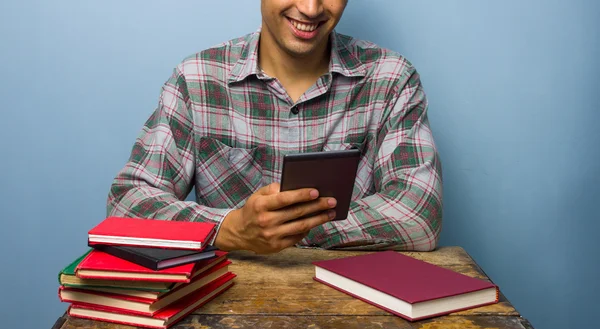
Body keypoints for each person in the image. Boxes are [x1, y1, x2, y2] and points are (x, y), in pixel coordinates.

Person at [107, 0, 443, 254]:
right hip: (222, 315)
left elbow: (418, 215)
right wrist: (230, 229)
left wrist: (286, 229)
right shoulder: (197, 79)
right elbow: (127, 204)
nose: (311, 9)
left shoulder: (391, 79)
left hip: (354, 315)